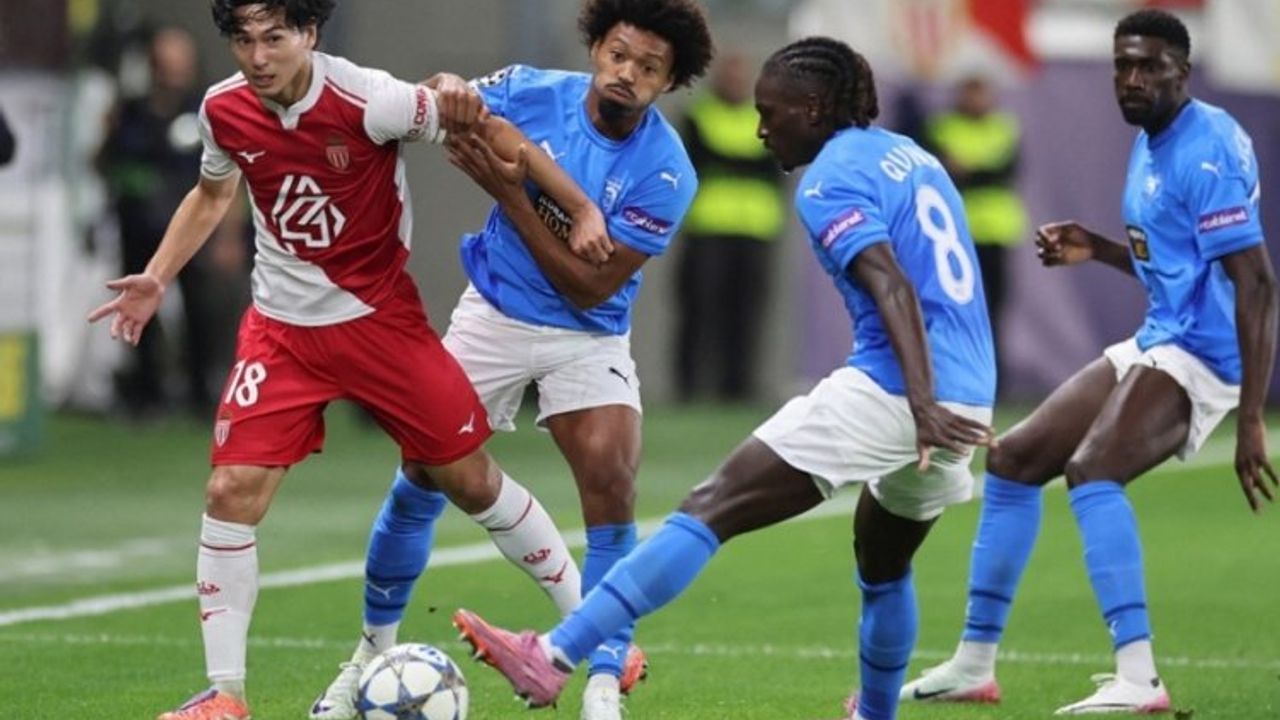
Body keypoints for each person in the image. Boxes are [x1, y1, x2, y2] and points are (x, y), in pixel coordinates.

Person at [87, 2, 611, 718]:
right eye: (243, 39)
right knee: (229, 492)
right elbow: (212, 192)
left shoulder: (373, 99)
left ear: (309, 34)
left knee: (469, 480)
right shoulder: (222, 109)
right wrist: (157, 275)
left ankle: (596, 628)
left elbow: (489, 130)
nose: (258, 56)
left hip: (380, 326)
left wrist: (579, 208)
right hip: (281, 333)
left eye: (275, 37)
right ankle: (225, 696)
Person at [451, 36, 997, 720]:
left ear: (815, 108)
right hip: (968, 398)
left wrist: (919, 399)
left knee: (710, 507)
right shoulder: (913, 156)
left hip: (903, 391)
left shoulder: (829, 179)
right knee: (884, 567)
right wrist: (940, 402)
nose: (762, 129)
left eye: (772, 113)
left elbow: (891, 283)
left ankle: (553, 656)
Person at [310, 3, 713, 719]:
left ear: (671, 82)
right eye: (619, 54)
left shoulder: (668, 171)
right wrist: (448, 86)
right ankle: (368, 657)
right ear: (596, 47)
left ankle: (601, 690)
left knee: (612, 479)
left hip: (588, 333)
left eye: (650, 68)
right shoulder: (531, 90)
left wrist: (507, 193)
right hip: (493, 314)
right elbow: (441, 98)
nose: (628, 74)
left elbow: (587, 286)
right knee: (419, 475)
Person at [899, 9, 1276, 715]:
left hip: (1203, 352)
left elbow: (1256, 283)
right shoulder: (1154, 139)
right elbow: (1177, 263)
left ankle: (1140, 678)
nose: (1132, 79)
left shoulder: (1205, 149)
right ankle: (974, 665)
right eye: (1122, 65)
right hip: (1162, 334)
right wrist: (1099, 249)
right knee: (1013, 459)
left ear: (1182, 72)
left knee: (1094, 470)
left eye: (1149, 66)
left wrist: (1250, 416)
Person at [99, 26, 249, 419]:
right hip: (140, 225)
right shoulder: (131, 111)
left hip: (192, 229)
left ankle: (201, 390)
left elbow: (226, 184)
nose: (173, 73)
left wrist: (229, 237)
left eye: (180, 64)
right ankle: (146, 392)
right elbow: (104, 162)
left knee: (202, 310)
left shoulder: (207, 108)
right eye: (165, 63)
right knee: (139, 306)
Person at [673, 50, 785, 402]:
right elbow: (692, 165)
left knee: (747, 314)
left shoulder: (766, 119)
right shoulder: (698, 116)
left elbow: (777, 169)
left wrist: (725, 163)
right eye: (730, 75)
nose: (736, 82)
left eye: (741, 76)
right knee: (699, 312)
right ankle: (689, 389)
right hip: (708, 229)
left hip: (755, 231)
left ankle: (739, 389)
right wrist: (744, 164)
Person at [924, 74, 1026, 398]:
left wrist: (968, 171)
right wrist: (973, 172)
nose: (976, 101)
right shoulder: (941, 127)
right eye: (970, 93)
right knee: (950, 310)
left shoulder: (1004, 127)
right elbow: (938, 173)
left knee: (993, 311)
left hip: (995, 233)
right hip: (953, 237)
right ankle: (949, 379)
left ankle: (992, 382)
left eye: (981, 93)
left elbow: (1004, 172)